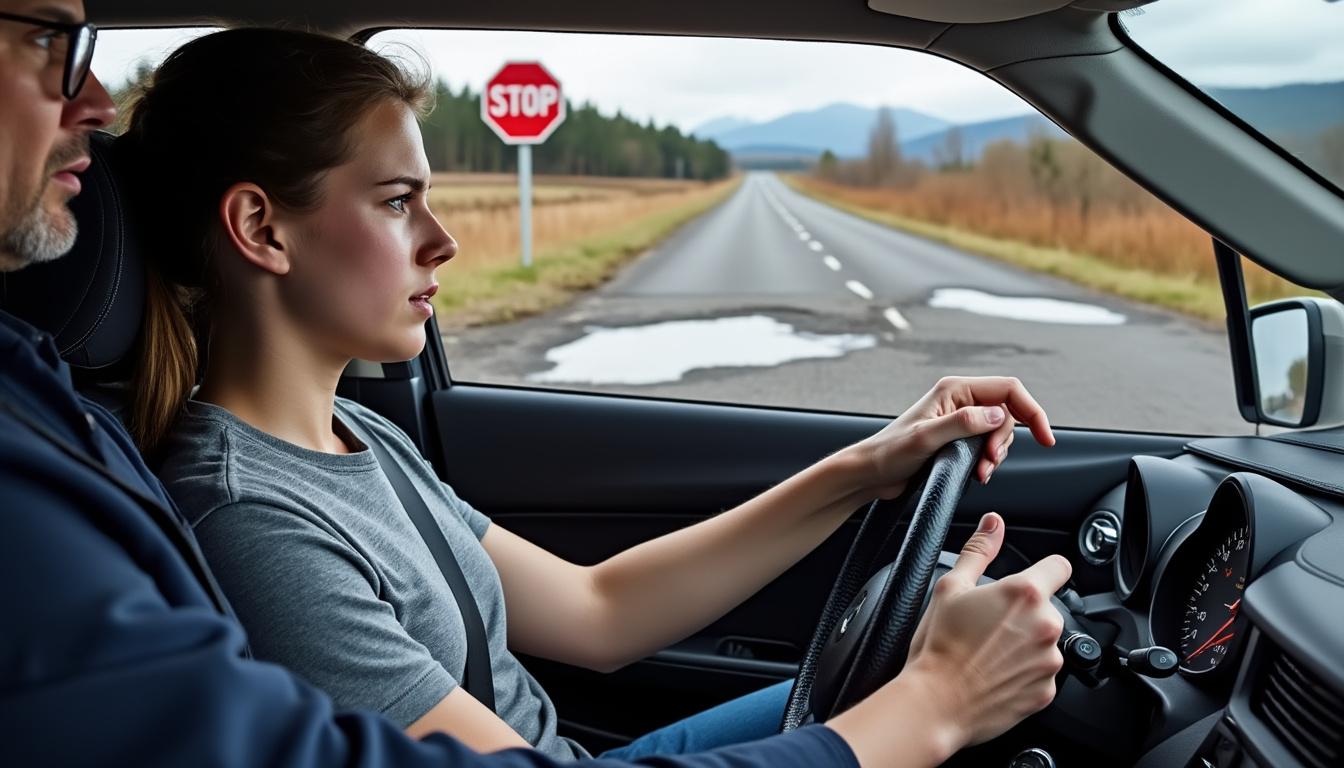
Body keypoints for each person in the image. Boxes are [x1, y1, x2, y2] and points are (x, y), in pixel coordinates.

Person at [0, 3, 1072, 767]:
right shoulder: (251, 518)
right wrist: (935, 704)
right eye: (396, 202)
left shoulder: (358, 439)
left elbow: (601, 611)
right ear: (261, 228)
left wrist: (869, 466)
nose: (444, 240)